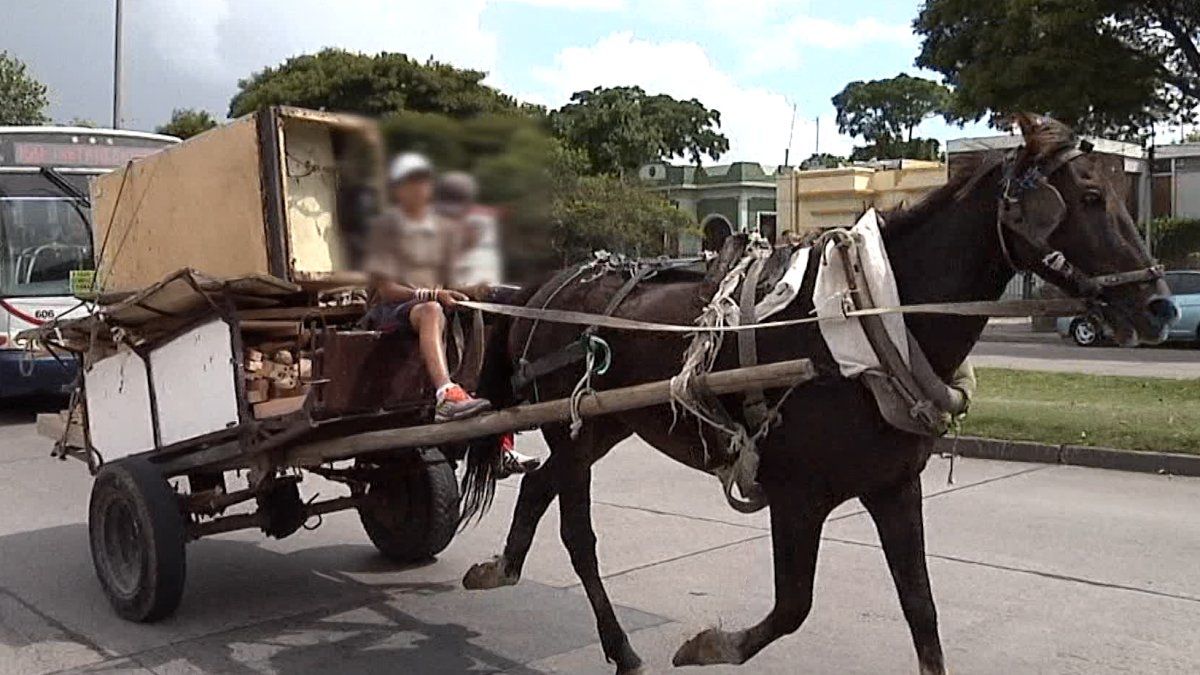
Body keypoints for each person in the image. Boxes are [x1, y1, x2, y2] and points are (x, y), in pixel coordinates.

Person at [362, 153, 490, 422]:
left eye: (425, 184)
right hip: (391, 311)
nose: (422, 190)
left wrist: (473, 290)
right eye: (413, 184)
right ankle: (445, 394)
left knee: (488, 312)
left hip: (426, 308)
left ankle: (499, 437)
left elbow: (450, 281)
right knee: (431, 310)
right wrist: (431, 294)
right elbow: (386, 290)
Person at [434, 171, 541, 478]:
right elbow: (445, 284)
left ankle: (504, 441)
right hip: (456, 311)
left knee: (521, 303)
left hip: (475, 306)